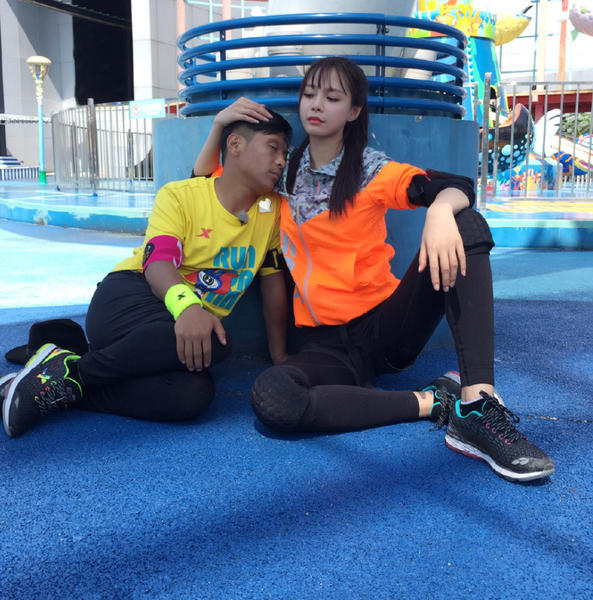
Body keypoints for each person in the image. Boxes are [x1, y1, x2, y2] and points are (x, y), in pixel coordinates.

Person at [193, 57, 554, 483]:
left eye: (332, 97)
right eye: (310, 94)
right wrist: (219, 125)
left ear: (354, 110)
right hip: (322, 345)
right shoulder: (281, 172)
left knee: (465, 222)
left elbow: (455, 186)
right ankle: (434, 403)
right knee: (274, 398)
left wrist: (439, 212)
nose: (316, 104)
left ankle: (477, 405)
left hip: (385, 329)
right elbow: (204, 185)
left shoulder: (370, 170)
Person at [2, 112, 292, 438]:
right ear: (235, 144)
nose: (281, 161)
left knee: (192, 395)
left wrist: (279, 354)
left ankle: (61, 376)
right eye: (273, 147)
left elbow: (272, 283)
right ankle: (70, 375)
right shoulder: (181, 194)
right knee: (215, 340)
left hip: (171, 334)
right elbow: (158, 261)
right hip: (129, 297)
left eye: (285, 152)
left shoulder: (272, 213)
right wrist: (188, 307)